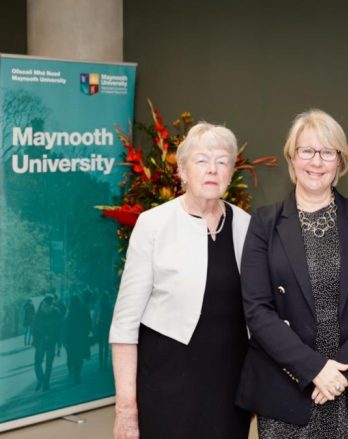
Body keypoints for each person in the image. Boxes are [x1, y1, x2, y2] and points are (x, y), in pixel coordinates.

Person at [236, 109, 348, 438]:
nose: (316, 162)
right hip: (287, 386)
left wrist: (339, 373)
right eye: (306, 151)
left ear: (340, 161)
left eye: (327, 152)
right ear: (292, 159)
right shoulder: (264, 223)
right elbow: (257, 308)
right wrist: (313, 369)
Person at [109, 122, 251, 439]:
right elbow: (125, 322)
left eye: (222, 161)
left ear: (230, 173)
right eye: (201, 161)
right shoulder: (153, 225)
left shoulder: (246, 225)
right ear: (183, 172)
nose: (212, 169)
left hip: (228, 387)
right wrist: (126, 409)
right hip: (167, 384)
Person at [64, 294, 92, 383]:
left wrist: (65, 338)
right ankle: (78, 373)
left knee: (72, 355)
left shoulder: (71, 311)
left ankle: (73, 369)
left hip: (72, 338)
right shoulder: (85, 309)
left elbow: (67, 326)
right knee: (80, 356)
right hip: (82, 337)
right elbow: (89, 322)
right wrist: (87, 332)